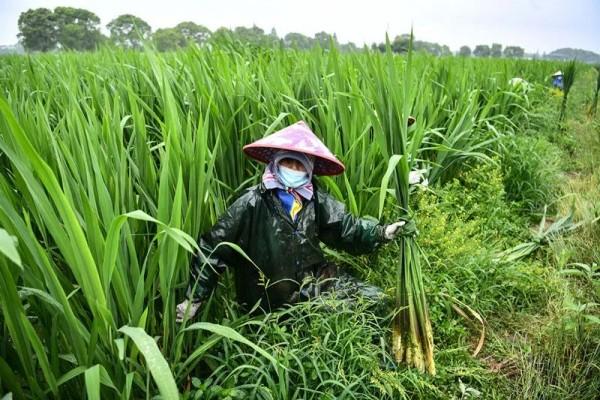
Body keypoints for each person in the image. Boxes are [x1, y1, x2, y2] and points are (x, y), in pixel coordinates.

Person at [176, 120, 408, 321]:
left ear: (309, 170)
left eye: (300, 165)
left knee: (376, 300)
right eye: (288, 162)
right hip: (266, 298)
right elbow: (214, 246)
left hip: (312, 283)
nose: (293, 169)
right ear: (276, 163)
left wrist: (382, 232)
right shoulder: (252, 202)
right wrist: (194, 298)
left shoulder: (315, 199)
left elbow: (346, 228)